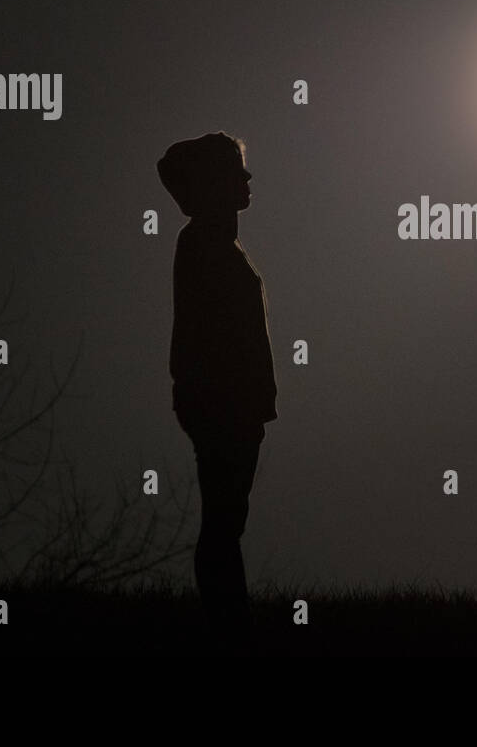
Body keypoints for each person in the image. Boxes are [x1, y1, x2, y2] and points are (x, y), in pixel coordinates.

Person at [156, 131, 278, 648]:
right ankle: (231, 632)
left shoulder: (216, 243)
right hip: (221, 403)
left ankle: (231, 627)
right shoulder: (204, 243)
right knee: (223, 523)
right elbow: (206, 335)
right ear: (213, 183)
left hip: (233, 403)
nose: (247, 179)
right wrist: (213, 395)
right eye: (235, 171)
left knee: (228, 520)